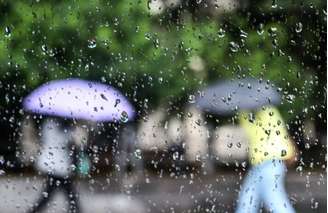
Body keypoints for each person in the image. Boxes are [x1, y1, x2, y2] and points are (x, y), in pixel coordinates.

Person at [235, 105, 297, 213]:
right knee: (247, 200)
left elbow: (277, 133)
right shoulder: (265, 110)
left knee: (275, 200)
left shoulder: (265, 111)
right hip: (260, 165)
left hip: (271, 163)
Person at [29, 117, 80, 213]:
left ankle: (76, 209)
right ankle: (76, 210)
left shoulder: (47, 123)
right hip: (59, 165)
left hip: (50, 162)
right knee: (65, 192)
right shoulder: (65, 128)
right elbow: (67, 143)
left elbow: (44, 138)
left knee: (59, 192)